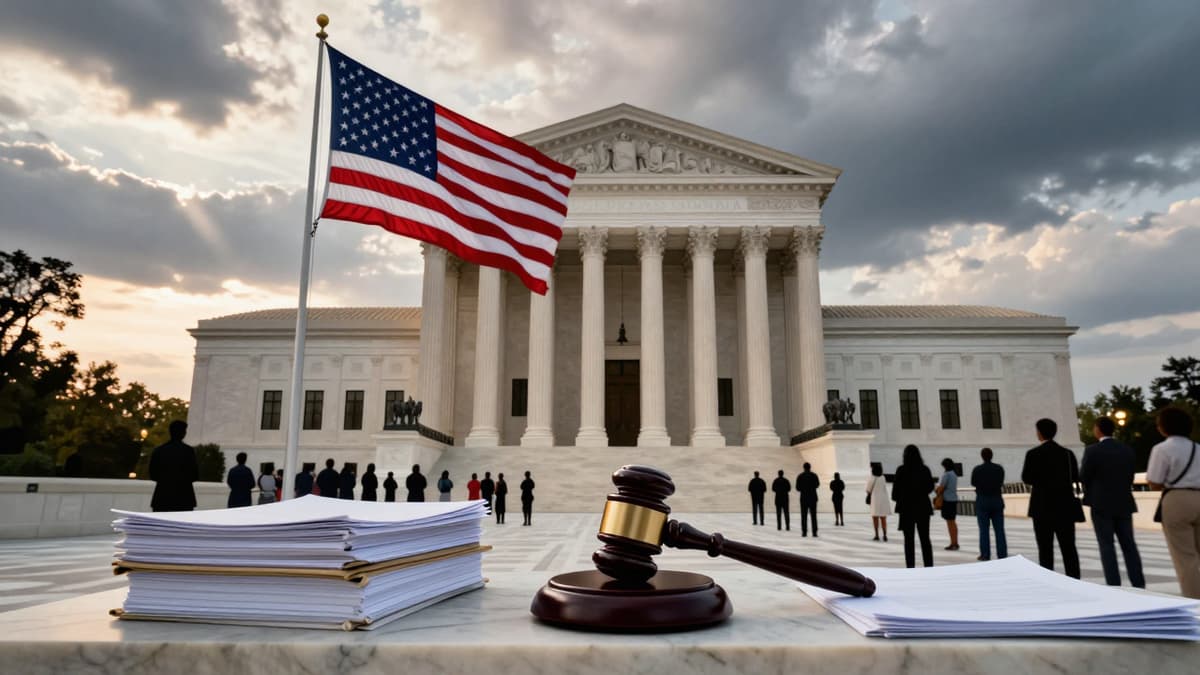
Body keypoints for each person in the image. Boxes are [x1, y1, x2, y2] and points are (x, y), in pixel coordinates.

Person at [1081, 416, 1144, 587]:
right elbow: (1130, 474)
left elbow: (1084, 476)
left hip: (1101, 503)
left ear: (1098, 430)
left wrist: (1092, 493)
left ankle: (1114, 584)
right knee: (1129, 545)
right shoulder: (1126, 449)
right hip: (1124, 501)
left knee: (1107, 545)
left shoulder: (1092, 451)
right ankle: (1138, 583)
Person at [1146, 407, 1200, 598]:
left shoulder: (1162, 449)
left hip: (1177, 499)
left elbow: (1154, 480)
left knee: (1185, 557)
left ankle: (1195, 601)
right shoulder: (1197, 448)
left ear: (1163, 427)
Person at [1021, 418, 1082, 579]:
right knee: (1069, 548)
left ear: (1039, 433)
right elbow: (1075, 477)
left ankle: (1048, 580)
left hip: (1042, 507)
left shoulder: (1033, 454)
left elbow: (1027, 478)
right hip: (1065, 506)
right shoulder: (1068, 454)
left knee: (1045, 549)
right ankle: (1074, 579)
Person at [892, 444, 935, 568]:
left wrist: (904, 495)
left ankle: (910, 567)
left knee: (909, 540)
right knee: (925, 539)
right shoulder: (924, 469)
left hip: (906, 509)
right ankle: (929, 565)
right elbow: (930, 487)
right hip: (923, 507)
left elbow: (895, 494)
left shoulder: (901, 470)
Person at [148, 420, 199, 512]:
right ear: (183, 433)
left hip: (162, 497)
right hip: (184, 498)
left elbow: (153, 475)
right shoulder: (188, 451)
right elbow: (194, 475)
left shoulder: (159, 451)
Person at [970, 447, 1007, 561]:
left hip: (983, 500)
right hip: (996, 499)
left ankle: (985, 554)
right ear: (992, 456)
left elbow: (973, 483)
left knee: (984, 530)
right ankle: (1002, 554)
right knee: (999, 529)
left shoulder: (977, 469)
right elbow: (1001, 482)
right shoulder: (999, 468)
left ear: (982, 456)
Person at [936, 458, 959, 550]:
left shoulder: (946, 475)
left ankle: (953, 543)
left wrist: (936, 490)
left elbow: (941, 488)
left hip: (947, 500)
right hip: (954, 499)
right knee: (953, 522)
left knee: (950, 523)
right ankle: (955, 542)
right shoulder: (954, 474)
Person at [866, 463, 891, 541]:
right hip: (883, 500)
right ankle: (885, 535)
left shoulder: (872, 478)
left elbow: (868, 489)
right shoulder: (883, 477)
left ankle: (876, 535)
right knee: (883, 518)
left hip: (875, 500)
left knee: (875, 518)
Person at [796, 463, 820, 537]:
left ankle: (804, 532)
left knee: (804, 516)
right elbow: (817, 485)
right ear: (810, 467)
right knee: (813, 516)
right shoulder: (814, 475)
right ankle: (814, 532)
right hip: (813, 497)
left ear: (804, 467)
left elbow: (797, 488)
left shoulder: (800, 476)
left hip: (804, 498)